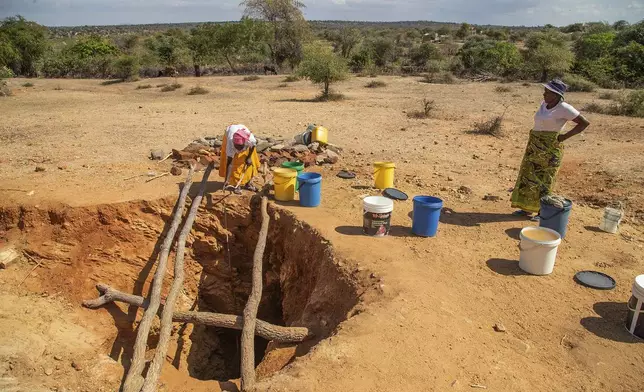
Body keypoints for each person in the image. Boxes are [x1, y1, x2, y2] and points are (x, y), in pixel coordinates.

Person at [510, 79, 590, 219]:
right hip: (535, 145)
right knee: (528, 175)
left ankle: (542, 212)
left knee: (544, 179)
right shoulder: (544, 104)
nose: (544, 94)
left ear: (556, 94)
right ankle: (526, 208)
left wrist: (564, 137)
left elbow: (584, 123)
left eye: (547, 92)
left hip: (550, 148)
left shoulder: (565, 108)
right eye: (545, 91)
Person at [219, 124, 261, 194]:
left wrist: (249, 157)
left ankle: (248, 183)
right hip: (230, 133)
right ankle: (236, 185)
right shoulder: (230, 142)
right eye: (236, 147)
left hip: (246, 143)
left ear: (245, 143)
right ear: (233, 143)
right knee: (236, 164)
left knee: (249, 163)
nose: (238, 150)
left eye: (240, 147)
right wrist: (227, 179)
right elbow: (229, 163)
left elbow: (253, 146)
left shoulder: (251, 140)